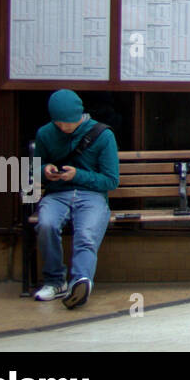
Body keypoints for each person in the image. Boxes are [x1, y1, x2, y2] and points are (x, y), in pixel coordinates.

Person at [32, 90, 120, 307]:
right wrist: (46, 171)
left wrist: (78, 175)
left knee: (86, 234)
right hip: (57, 193)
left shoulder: (103, 135)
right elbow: (33, 169)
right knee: (46, 225)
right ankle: (54, 281)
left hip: (91, 196)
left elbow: (111, 181)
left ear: (80, 115)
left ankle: (80, 282)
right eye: (59, 123)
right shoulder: (45, 134)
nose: (64, 127)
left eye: (69, 123)